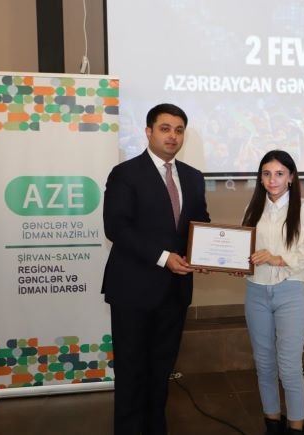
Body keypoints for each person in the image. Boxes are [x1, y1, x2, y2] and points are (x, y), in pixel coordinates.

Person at [102, 103, 210, 435]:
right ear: (148, 132)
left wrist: (208, 254)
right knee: (131, 371)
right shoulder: (125, 174)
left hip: (175, 293)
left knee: (160, 371)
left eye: (178, 130)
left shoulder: (193, 177)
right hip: (133, 291)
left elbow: (199, 224)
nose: (172, 136)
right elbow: (117, 227)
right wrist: (164, 257)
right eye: (165, 129)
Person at [241, 150, 304, 435]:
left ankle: (296, 427)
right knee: (264, 364)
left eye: (279, 174)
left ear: (291, 177)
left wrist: (276, 258)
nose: (272, 180)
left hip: (291, 292)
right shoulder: (252, 209)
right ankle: (272, 423)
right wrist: (234, 263)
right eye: (266, 174)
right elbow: (243, 251)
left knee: (289, 365)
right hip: (256, 292)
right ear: (260, 178)